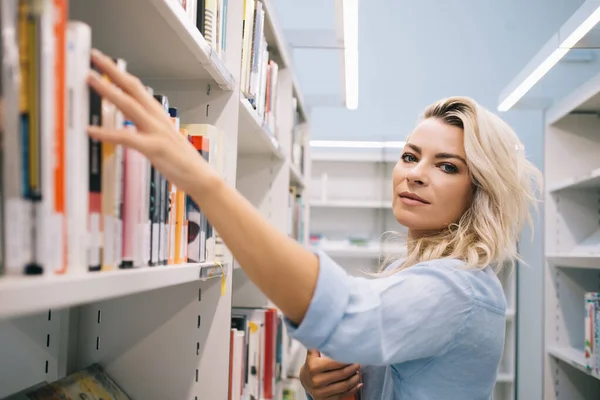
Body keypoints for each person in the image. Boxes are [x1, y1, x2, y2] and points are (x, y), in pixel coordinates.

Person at [86, 49, 542, 400]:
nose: (415, 173)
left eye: (447, 166)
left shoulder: (457, 288)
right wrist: (317, 381)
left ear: (479, 190)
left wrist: (204, 183)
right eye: (409, 156)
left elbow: (343, 316)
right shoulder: (421, 270)